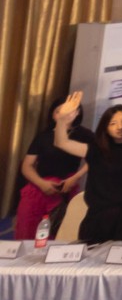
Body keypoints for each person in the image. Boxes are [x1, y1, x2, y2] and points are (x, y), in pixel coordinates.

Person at [50, 95, 122, 243]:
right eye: (113, 123)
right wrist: (62, 119)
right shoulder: (96, 149)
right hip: (98, 218)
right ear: (105, 128)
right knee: (92, 257)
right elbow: (62, 143)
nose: (120, 127)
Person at [18, 96, 91, 241]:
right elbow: (27, 165)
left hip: (65, 189)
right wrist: (41, 183)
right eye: (59, 111)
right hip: (38, 188)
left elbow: (96, 159)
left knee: (61, 233)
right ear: (52, 114)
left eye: (70, 111)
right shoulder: (43, 136)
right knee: (28, 230)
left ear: (77, 113)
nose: (64, 114)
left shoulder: (85, 135)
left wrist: (75, 177)